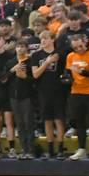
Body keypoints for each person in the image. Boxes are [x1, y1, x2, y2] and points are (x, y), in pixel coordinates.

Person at [65, 34, 89, 161]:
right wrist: (68, 79)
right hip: (76, 92)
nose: (79, 49)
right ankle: (82, 149)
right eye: (75, 47)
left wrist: (79, 71)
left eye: (80, 46)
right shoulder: (71, 56)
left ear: (85, 42)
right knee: (79, 121)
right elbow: (68, 72)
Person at [30, 31, 67, 159]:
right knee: (47, 120)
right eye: (41, 39)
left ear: (52, 40)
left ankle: (61, 148)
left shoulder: (59, 54)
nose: (43, 41)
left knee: (59, 119)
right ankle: (51, 149)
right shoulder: (36, 55)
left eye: (46, 38)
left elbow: (63, 71)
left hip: (57, 90)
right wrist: (47, 62)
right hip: (43, 91)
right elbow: (35, 74)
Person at [6, 41, 38, 160]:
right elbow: (3, 79)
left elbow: (35, 81)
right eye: (18, 47)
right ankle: (24, 149)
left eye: (22, 47)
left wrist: (25, 77)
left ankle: (31, 150)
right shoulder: (11, 62)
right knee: (19, 124)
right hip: (14, 97)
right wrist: (12, 70)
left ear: (26, 48)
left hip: (27, 96)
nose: (20, 49)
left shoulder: (30, 62)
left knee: (28, 123)